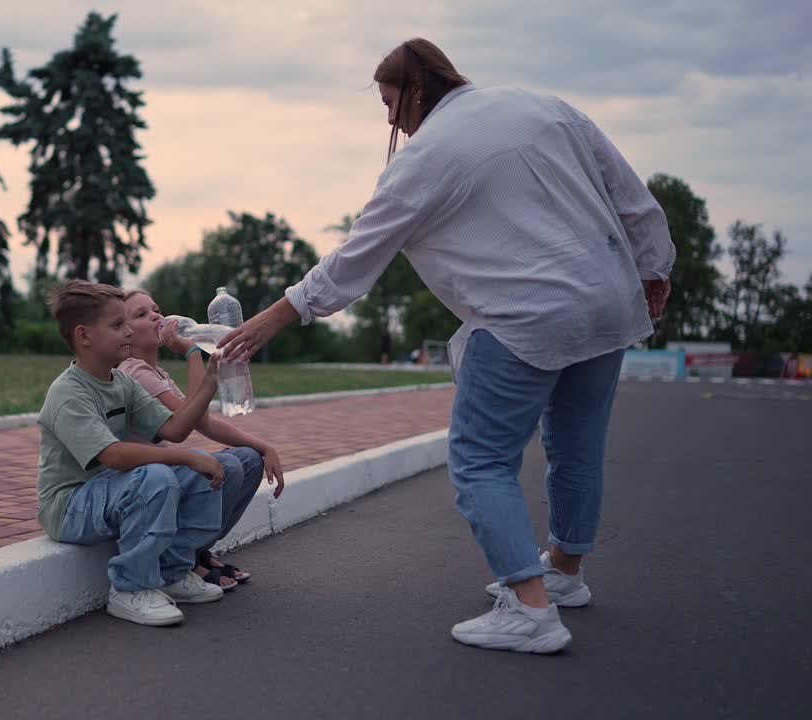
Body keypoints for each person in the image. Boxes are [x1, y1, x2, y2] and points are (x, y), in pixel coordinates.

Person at [221, 38, 675, 654]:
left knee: (481, 460)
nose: (388, 119)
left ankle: (529, 608)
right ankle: (563, 575)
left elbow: (355, 259)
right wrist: (654, 267)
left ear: (415, 89)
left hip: (523, 317)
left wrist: (273, 318)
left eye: (388, 101)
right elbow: (630, 194)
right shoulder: (545, 106)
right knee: (577, 448)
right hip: (606, 302)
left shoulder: (423, 158)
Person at [38, 280, 254, 627]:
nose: (128, 332)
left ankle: (171, 572)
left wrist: (211, 377)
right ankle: (129, 589)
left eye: (127, 322)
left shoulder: (121, 383)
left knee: (196, 471)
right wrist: (186, 457)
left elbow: (176, 428)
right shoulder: (68, 393)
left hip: (111, 489)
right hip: (69, 505)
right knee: (158, 474)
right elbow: (114, 456)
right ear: (84, 336)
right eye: (117, 324)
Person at [119, 289, 284, 591]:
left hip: (165, 475)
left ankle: (198, 549)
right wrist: (193, 353)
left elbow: (204, 422)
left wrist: (263, 446)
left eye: (155, 309)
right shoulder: (133, 371)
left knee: (247, 459)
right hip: (145, 482)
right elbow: (188, 417)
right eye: (141, 314)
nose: (156, 316)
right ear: (123, 332)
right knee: (228, 467)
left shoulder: (156, 372)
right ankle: (180, 558)